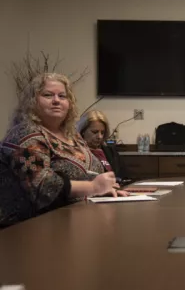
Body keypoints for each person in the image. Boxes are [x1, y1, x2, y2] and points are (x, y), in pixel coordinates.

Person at [0, 73, 127, 228]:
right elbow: (42, 187)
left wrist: (106, 188)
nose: (56, 100)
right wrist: (93, 187)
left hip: (77, 220)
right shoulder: (24, 134)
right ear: (32, 101)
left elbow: (93, 171)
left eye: (62, 96)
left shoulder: (72, 135)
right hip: (30, 229)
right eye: (47, 95)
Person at [77, 110, 125, 179]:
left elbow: (123, 176)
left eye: (102, 132)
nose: (100, 137)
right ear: (83, 131)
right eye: (94, 132)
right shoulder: (77, 152)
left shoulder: (111, 152)